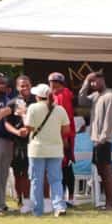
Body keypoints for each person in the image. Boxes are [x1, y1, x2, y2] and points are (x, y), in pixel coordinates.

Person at [25, 84, 70, 217]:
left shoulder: (33, 107)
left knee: (36, 180)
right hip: (55, 148)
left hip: (37, 149)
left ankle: (37, 210)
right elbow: (66, 130)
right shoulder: (60, 109)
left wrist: (23, 115)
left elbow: (28, 127)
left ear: (38, 96)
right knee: (56, 180)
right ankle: (59, 207)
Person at [79, 72, 112, 210]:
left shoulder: (110, 96)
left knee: (106, 171)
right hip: (95, 139)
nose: (92, 84)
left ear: (102, 80)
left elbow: (109, 119)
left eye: (94, 81)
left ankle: (110, 204)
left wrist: (102, 138)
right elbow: (82, 101)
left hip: (104, 140)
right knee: (101, 170)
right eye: (91, 82)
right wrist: (85, 82)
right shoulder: (96, 96)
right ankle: (107, 202)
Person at [47, 73, 76, 204]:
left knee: (65, 166)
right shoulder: (52, 95)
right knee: (58, 167)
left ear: (61, 83)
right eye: (51, 81)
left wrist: (65, 138)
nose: (53, 83)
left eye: (56, 81)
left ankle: (69, 198)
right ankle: (62, 197)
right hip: (54, 136)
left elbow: (66, 119)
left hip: (64, 136)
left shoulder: (63, 95)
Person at [10, 76, 33, 212]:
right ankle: (20, 199)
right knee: (18, 174)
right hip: (17, 142)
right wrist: (17, 132)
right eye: (22, 86)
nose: (25, 88)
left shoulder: (37, 101)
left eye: (27, 85)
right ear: (17, 87)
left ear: (31, 85)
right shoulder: (12, 102)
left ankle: (29, 200)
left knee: (29, 174)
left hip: (34, 142)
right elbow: (6, 122)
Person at [0, 73, 15, 213]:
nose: (2, 85)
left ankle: (1, 203)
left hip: (8, 140)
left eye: (3, 82)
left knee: (3, 174)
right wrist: (1, 114)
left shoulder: (8, 99)